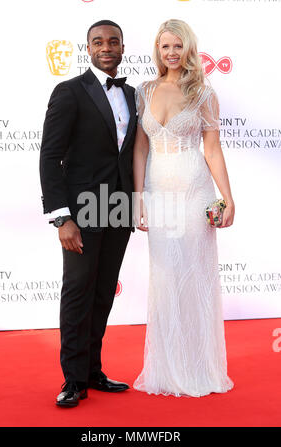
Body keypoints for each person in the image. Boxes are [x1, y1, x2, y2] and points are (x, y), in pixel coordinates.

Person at [132, 19, 235, 397]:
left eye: (178, 46)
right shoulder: (144, 91)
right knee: (164, 278)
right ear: (157, 50)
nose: (171, 53)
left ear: (189, 48)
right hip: (158, 192)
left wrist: (227, 197)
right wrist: (138, 196)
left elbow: (212, 149)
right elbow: (141, 147)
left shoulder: (203, 94)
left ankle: (196, 367)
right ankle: (167, 368)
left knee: (193, 276)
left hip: (193, 191)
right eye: (165, 47)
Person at [39, 20, 137, 407]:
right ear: (89, 48)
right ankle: (72, 380)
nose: (107, 47)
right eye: (99, 41)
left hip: (119, 209)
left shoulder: (131, 94)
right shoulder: (69, 91)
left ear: (123, 47)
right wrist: (62, 217)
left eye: (113, 41)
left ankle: (93, 371)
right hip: (81, 211)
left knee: (101, 295)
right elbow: (50, 156)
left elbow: (130, 154)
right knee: (78, 293)